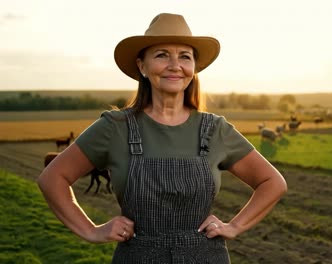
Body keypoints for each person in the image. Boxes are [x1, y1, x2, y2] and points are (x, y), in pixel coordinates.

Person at [38, 13, 287, 263]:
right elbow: (52, 178)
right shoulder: (114, 128)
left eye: (185, 56)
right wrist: (91, 230)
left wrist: (234, 226)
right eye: (161, 55)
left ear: (193, 69)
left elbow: (272, 182)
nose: (174, 65)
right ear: (142, 66)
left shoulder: (215, 130)